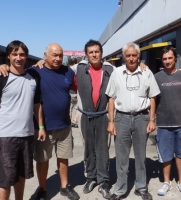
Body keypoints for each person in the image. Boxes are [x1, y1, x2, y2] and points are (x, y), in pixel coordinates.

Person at [0, 43, 80, 200]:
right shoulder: (35, 71)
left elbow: (76, 88)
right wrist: (2, 66)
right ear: (45, 56)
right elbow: (16, 70)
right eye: (54, 55)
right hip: (43, 127)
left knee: (64, 157)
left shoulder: (68, 71)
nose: (58, 58)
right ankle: (42, 188)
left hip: (64, 125)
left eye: (60, 55)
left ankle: (64, 186)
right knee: (42, 159)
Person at [0, 40, 46, 200]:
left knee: (21, 175)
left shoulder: (33, 78)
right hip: (6, 137)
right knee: (4, 179)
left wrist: (40, 126)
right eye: (15, 54)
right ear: (8, 56)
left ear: (26, 56)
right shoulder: (0, 77)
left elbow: (37, 105)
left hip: (26, 136)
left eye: (22, 54)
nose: (18, 57)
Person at [106, 42, 160, 200]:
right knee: (121, 156)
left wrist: (151, 119)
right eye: (128, 55)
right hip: (121, 118)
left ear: (139, 56)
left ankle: (141, 187)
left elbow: (152, 98)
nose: (131, 58)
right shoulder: (117, 73)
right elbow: (111, 98)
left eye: (134, 55)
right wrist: (111, 121)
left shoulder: (147, 73)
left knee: (140, 156)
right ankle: (120, 189)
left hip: (141, 118)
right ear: (124, 57)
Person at [76, 39, 114, 199]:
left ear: (101, 53)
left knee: (103, 149)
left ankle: (103, 181)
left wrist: (142, 65)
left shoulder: (111, 69)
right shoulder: (78, 68)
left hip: (103, 115)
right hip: (86, 115)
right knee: (89, 149)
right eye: (90, 52)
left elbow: (128, 70)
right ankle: (91, 178)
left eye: (96, 52)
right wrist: (41, 62)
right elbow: (58, 69)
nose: (94, 54)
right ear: (86, 55)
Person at [154, 46, 181, 198]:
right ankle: (166, 182)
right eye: (164, 59)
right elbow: (152, 99)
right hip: (164, 123)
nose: (168, 61)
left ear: (175, 58)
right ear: (161, 60)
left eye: (170, 58)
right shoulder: (156, 77)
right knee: (166, 154)